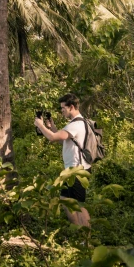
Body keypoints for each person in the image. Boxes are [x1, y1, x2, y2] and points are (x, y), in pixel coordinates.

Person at [34, 92, 91, 228]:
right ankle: (79, 233)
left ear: (71, 107)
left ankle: (86, 239)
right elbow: (62, 140)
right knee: (65, 200)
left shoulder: (76, 124)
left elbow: (53, 138)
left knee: (78, 204)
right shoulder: (75, 124)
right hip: (71, 170)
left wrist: (40, 125)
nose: (61, 111)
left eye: (63, 108)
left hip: (77, 170)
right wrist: (51, 127)